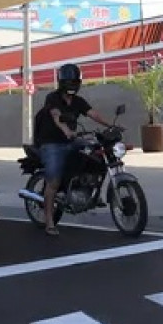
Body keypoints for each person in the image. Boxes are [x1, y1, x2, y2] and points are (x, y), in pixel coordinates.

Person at [32, 63, 117, 236]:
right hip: (52, 143)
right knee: (53, 182)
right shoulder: (53, 98)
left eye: (74, 81)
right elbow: (56, 116)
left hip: (71, 140)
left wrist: (111, 125)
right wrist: (66, 131)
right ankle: (49, 221)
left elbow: (93, 114)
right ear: (61, 82)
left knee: (96, 152)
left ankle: (90, 189)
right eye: (68, 81)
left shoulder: (78, 101)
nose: (71, 85)